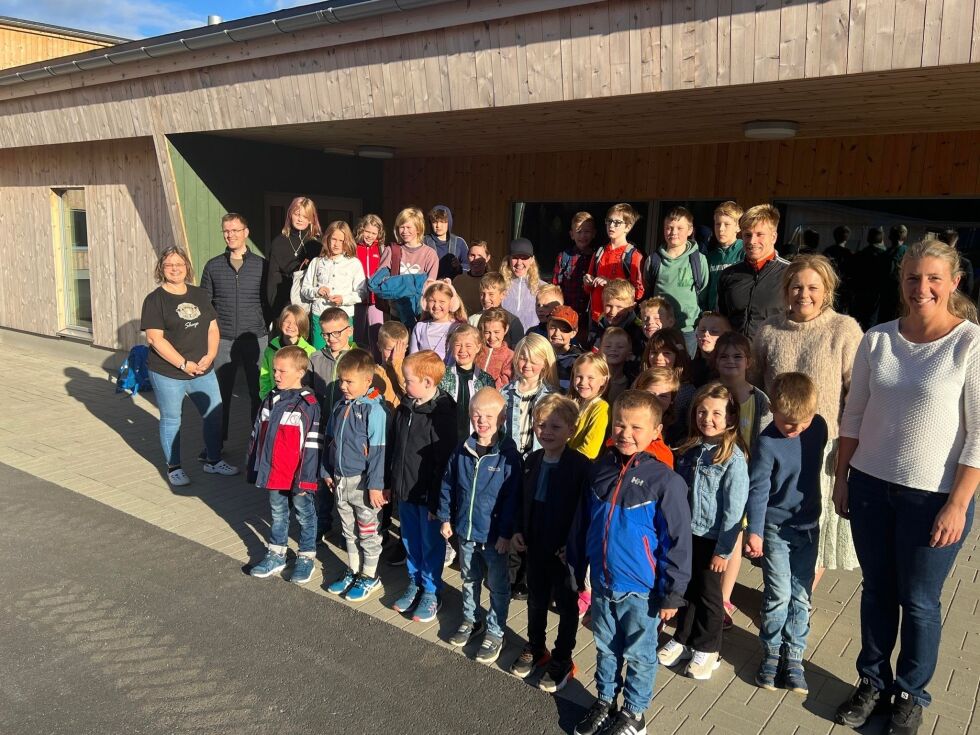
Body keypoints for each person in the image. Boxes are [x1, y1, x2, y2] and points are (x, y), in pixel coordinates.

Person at [833, 240, 980, 735]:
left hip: (933, 498)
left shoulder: (969, 343)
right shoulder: (877, 339)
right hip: (871, 486)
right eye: (913, 278)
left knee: (919, 600)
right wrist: (842, 478)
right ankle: (872, 681)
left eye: (934, 278)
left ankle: (911, 694)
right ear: (901, 283)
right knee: (877, 591)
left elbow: (979, 434)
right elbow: (853, 415)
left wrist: (959, 504)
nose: (923, 288)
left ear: (953, 282)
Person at [568, 390, 692, 735]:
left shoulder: (665, 481)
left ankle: (634, 714)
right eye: (620, 424)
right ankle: (605, 702)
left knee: (639, 655)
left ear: (656, 431)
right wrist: (577, 567)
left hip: (642, 591)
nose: (625, 433)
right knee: (606, 647)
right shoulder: (600, 469)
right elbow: (583, 523)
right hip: (604, 583)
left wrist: (673, 593)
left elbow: (679, 543)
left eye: (637, 427)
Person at [753, 254, 864, 588]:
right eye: (796, 286)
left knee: (814, 534)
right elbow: (755, 384)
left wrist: (849, 450)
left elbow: (858, 394)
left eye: (813, 287)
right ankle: (781, 594)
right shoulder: (768, 330)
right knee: (775, 527)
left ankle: (799, 600)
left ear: (827, 290)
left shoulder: (844, 330)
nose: (804, 294)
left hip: (822, 448)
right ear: (786, 290)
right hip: (775, 445)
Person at [659, 382, 749, 680]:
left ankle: (708, 649)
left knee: (710, 596)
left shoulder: (732, 458)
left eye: (716, 413)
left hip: (713, 539)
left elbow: (734, 510)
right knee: (686, 587)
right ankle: (684, 638)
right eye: (701, 411)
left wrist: (724, 550)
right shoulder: (690, 448)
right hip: (688, 534)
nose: (707, 418)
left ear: (730, 418)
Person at [745, 373, 828, 696]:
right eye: (787, 423)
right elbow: (759, 488)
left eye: (802, 423)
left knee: (801, 594)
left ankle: (794, 656)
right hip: (776, 529)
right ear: (773, 410)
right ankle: (771, 651)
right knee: (778, 593)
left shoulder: (818, 427)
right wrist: (755, 531)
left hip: (808, 527)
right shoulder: (768, 441)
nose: (795, 430)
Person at [509, 395, 591, 691]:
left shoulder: (581, 467)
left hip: (564, 550)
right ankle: (535, 645)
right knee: (536, 598)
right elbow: (521, 500)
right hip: (536, 543)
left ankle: (563, 657)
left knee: (567, 605)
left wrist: (574, 545)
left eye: (555, 426)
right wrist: (518, 529)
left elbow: (584, 512)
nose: (546, 431)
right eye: (541, 425)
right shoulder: (532, 460)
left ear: (571, 430)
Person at [439, 387, 522, 665]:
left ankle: (496, 631)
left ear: (502, 419)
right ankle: (471, 619)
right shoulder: (462, 450)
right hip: (466, 531)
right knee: (469, 578)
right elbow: (448, 485)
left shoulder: (508, 457)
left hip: (494, 537)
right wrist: (446, 517)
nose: (482, 420)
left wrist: (506, 533)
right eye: (477, 414)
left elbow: (513, 499)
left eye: (489, 415)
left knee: (498, 586)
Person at [141, 247, 236, 486]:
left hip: (202, 369)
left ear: (187, 267)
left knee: (214, 414)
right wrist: (183, 364)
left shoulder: (200, 295)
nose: (175, 268)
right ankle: (174, 467)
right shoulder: (155, 300)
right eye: (169, 265)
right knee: (172, 419)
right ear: (161, 269)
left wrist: (211, 354)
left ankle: (213, 461)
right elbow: (155, 339)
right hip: (169, 372)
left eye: (179, 264)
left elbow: (212, 328)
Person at [388, 350, 458, 622]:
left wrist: (437, 502)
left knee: (431, 543)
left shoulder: (442, 413)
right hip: (406, 489)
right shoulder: (407, 406)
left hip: (428, 495)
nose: (405, 386)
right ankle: (414, 581)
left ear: (428, 382)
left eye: (409, 380)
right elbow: (396, 447)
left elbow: (445, 462)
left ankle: (431, 589)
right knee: (410, 539)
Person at [246, 345, 322, 583]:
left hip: (298, 476)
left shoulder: (308, 404)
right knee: (278, 513)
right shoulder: (271, 399)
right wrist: (254, 467)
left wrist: (306, 478)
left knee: (305, 515)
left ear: (300, 372)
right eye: (274, 370)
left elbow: (311, 446)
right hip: (274, 474)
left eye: (282, 371)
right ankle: (277, 553)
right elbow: (257, 434)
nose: (276, 375)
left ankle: (306, 556)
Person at [714, 331, 772, 628]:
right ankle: (708, 593)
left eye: (737, 356)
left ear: (748, 361)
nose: (731, 362)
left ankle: (724, 598)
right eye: (724, 356)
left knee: (733, 537)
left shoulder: (758, 399)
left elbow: (763, 445)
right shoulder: (710, 393)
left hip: (744, 480)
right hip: (711, 480)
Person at [322, 349, 389, 603]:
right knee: (348, 530)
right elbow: (330, 441)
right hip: (339, 481)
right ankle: (353, 569)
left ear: (367, 381)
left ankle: (370, 575)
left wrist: (375, 486)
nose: (343, 386)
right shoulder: (340, 406)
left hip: (363, 484)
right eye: (341, 380)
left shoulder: (374, 411)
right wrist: (326, 471)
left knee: (368, 531)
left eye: (349, 381)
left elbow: (378, 453)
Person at [201, 213, 269, 455]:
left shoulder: (262, 265)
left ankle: (257, 444)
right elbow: (205, 304)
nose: (230, 235)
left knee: (257, 392)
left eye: (235, 230)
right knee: (220, 394)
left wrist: (263, 326)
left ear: (246, 232)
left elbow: (267, 301)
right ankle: (215, 445)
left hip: (255, 338)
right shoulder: (213, 266)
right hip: (224, 338)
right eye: (226, 231)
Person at [718, 204, 790, 339]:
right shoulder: (728, 275)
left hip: (773, 354)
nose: (752, 241)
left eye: (760, 234)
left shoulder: (790, 274)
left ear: (773, 237)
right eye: (747, 235)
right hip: (737, 356)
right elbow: (722, 319)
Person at [647, 206, 709, 355]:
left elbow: (703, 292)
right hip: (660, 328)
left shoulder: (698, 260)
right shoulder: (654, 260)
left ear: (689, 230)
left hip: (688, 330)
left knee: (686, 370)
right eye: (669, 227)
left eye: (679, 228)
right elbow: (648, 289)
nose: (673, 232)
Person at [300, 220, 366, 350]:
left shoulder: (354, 263)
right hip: (320, 316)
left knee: (344, 357)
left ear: (347, 241)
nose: (336, 244)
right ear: (327, 239)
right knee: (319, 354)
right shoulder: (317, 262)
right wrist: (317, 291)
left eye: (341, 240)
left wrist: (343, 299)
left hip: (344, 317)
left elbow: (362, 292)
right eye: (333, 239)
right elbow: (305, 289)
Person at [583, 203, 645, 325]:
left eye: (617, 223)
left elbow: (638, 293)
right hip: (596, 317)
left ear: (628, 227)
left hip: (620, 320)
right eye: (609, 221)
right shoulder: (599, 252)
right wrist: (587, 281)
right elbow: (588, 289)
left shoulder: (634, 255)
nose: (611, 225)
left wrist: (610, 283)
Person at [501, 333, 559, 459]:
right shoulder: (504, 392)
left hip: (539, 458)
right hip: (509, 457)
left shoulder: (552, 396)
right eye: (523, 358)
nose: (527, 365)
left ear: (545, 363)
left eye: (533, 361)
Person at [265, 196, 322, 321]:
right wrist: (276, 309)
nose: (300, 219)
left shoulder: (318, 244)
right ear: (290, 214)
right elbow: (273, 278)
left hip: (312, 308)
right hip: (284, 306)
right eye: (297, 214)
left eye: (305, 216)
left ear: (312, 219)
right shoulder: (278, 242)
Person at [439, 324, 495, 440]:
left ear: (478, 347)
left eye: (468, 345)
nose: (463, 350)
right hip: (445, 438)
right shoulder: (442, 376)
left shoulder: (485, 380)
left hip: (475, 440)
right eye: (458, 345)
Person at [642, 328, 695, 445]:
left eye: (667, 353)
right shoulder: (639, 382)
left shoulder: (687, 391)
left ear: (678, 355)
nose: (658, 358)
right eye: (654, 353)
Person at [553, 211, 598, 336]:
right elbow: (556, 287)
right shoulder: (563, 257)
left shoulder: (599, 257)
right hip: (568, 316)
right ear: (572, 235)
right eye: (578, 232)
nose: (583, 236)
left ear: (594, 233)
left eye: (587, 231)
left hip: (590, 318)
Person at [258, 305, 316, 400]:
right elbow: (265, 375)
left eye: (296, 323)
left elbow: (312, 382)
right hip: (275, 399)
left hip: (299, 402)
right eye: (287, 322)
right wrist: (265, 396)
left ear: (302, 325)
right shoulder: (271, 348)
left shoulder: (310, 351)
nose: (290, 326)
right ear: (280, 323)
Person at [631, 367, 679, 468]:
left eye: (663, 396)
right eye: (650, 394)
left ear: (672, 400)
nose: (655, 399)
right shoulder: (627, 422)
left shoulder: (676, 432)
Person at [567, 352, 611, 462]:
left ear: (603, 380)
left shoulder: (601, 408)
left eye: (590, 377)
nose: (583, 382)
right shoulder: (572, 403)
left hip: (579, 469)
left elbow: (590, 450)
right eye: (579, 377)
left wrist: (563, 460)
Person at [353, 214, 386, 356]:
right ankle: (355, 361)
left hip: (375, 299)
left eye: (374, 233)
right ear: (361, 230)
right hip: (357, 299)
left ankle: (378, 363)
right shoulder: (353, 247)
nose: (370, 236)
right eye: (367, 232)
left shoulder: (381, 249)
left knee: (376, 333)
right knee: (356, 334)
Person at [409, 280, 467, 361]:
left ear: (452, 303)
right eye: (432, 301)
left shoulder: (458, 328)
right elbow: (413, 359)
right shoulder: (419, 327)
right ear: (425, 302)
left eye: (442, 302)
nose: (436, 306)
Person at [378, 207, 440, 283]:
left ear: (418, 229)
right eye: (402, 227)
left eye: (408, 227)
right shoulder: (391, 251)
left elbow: (430, 284)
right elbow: (380, 280)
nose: (405, 231)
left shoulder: (430, 254)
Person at [589, 279, 645, 356]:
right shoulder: (598, 324)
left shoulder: (639, 329)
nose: (613, 312)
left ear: (632, 307)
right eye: (608, 306)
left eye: (619, 307)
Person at [467, 272, 524, 347]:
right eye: (482, 294)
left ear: (502, 295)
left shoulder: (513, 322)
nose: (485, 299)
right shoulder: (473, 321)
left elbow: (518, 352)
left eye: (491, 294)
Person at [705, 201, 744, 311]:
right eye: (717, 224)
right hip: (713, 315)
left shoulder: (745, 252)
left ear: (738, 227)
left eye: (726, 224)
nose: (721, 229)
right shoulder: (710, 257)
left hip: (735, 315)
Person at [501, 238, 542, 335]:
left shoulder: (543, 288)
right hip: (506, 342)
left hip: (532, 342)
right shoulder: (499, 285)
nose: (519, 263)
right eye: (515, 257)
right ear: (509, 259)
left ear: (532, 260)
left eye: (524, 258)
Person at [424, 204, 469, 279]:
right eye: (435, 222)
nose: (438, 225)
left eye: (442, 222)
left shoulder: (459, 242)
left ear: (449, 223)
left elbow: (468, 265)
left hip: (454, 286)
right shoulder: (424, 241)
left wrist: (459, 267)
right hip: (431, 285)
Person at [690, 311, 732, 387]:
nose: (706, 334)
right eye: (702, 330)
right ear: (696, 335)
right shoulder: (689, 368)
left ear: (726, 336)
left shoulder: (731, 369)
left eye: (714, 331)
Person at [475, 308, 515, 388]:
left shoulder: (510, 356)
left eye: (496, 332)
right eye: (487, 332)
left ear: (506, 329)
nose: (492, 337)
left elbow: (505, 381)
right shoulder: (477, 350)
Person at [372, 320, 408, 408]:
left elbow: (410, 394)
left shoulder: (410, 372)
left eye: (398, 350)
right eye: (389, 350)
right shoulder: (375, 372)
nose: (394, 355)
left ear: (406, 349)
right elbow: (371, 397)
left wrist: (398, 364)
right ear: (379, 347)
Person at [547, 305, 584, 391]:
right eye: (553, 327)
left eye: (564, 329)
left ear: (574, 333)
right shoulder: (539, 355)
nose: (557, 333)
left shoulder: (579, 359)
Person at [598, 327, 635, 407]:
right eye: (608, 346)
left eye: (620, 347)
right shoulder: (591, 379)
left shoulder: (633, 384)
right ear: (599, 351)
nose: (613, 349)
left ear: (629, 355)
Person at [453, 240, 491, 316]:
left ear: (487, 258)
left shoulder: (493, 281)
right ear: (467, 257)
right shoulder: (458, 281)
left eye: (480, 256)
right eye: (472, 255)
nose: (475, 259)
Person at [823, 225, 853, 311]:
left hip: (830, 286)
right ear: (846, 238)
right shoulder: (849, 254)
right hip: (844, 289)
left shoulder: (828, 251)